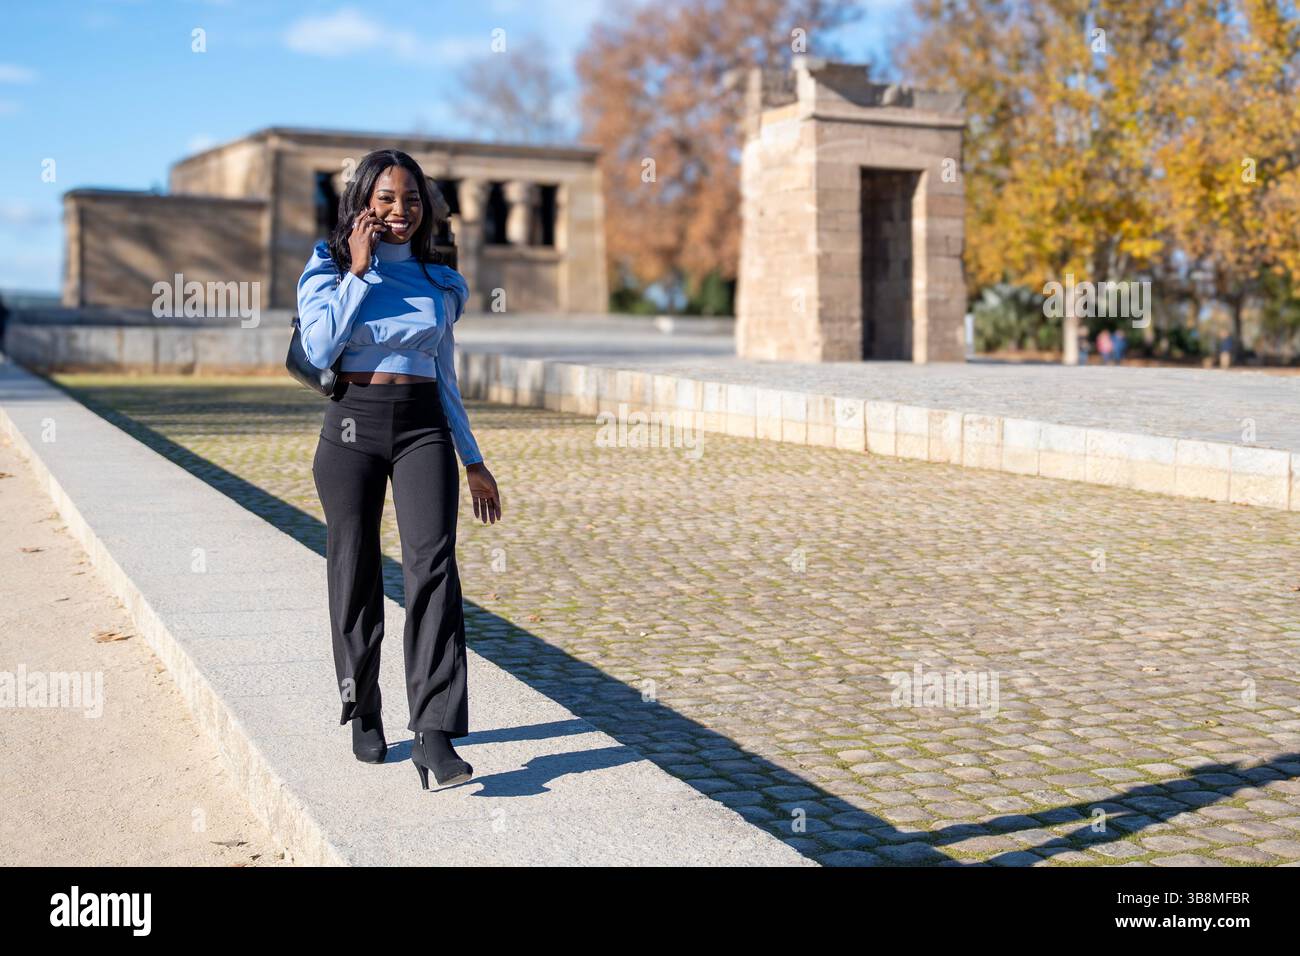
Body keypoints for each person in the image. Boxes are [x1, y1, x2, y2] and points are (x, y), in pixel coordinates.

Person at [297, 148, 502, 791]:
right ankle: (362, 704)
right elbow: (320, 347)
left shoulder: (440, 280)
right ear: (363, 199)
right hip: (352, 427)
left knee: (433, 569)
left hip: (422, 428)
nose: (400, 211)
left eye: (411, 199)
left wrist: (473, 458)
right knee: (353, 567)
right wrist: (357, 272)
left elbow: (444, 375)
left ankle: (434, 732)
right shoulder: (326, 266)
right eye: (386, 197)